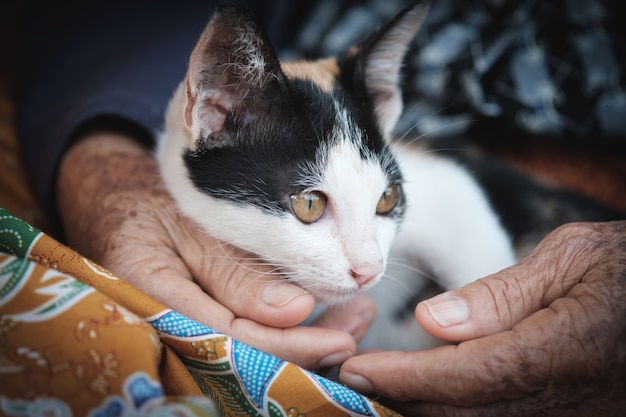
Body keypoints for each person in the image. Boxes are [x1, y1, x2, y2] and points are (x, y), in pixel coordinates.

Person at [17, 0, 626, 415]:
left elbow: (448, 196)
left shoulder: (362, 139)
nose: (367, 264)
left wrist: (498, 310)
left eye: (384, 201)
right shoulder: (241, 135)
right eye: (311, 205)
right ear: (215, 113)